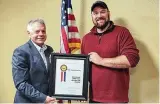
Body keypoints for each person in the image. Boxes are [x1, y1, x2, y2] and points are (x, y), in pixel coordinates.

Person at [81, 0, 140, 103]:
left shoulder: (122, 32)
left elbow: (132, 60)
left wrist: (101, 60)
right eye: (95, 13)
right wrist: (80, 91)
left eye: (102, 11)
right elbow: (83, 69)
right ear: (92, 16)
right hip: (93, 99)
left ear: (108, 13)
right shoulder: (86, 38)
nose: (99, 15)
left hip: (116, 99)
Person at [12, 18, 56, 103]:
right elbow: (21, 83)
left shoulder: (49, 50)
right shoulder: (21, 52)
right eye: (37, 31)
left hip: (46, 100)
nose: (41, 34)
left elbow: (51, 76)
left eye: (43, 31)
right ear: (29, 33)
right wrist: (43, 98)